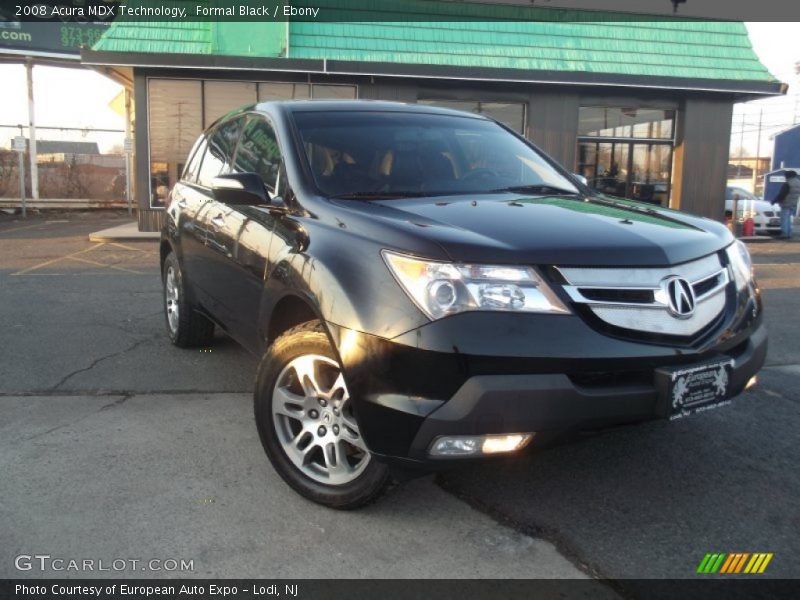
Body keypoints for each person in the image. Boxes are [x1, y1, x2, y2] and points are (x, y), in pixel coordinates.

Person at [772, 170, 800, 239]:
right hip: (794, 203)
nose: (785, 177)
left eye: (785, 176)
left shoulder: (788, 183)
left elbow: (782, 194)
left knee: (784, 219)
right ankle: (789, 233)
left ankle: (784, 234)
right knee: (789, 219)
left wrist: (774, 201)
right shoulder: (798, 183)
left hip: (786, 203)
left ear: (788, 176)